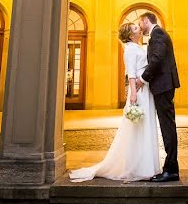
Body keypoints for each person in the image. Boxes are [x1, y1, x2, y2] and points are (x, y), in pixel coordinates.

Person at [68, 20, 161, 182]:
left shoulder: (137, 47)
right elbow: (131, 74)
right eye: (135, 28)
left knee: (146, 126)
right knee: (138, 128)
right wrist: (132, 93)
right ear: (131, 35)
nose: (139, 30)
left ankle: (146, 165)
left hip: (147, 91)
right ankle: (137, 167)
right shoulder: (129, 50)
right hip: (139, 92)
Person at [138, 11, 181, 182]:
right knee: (166, 126)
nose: (140, 28)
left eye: (140, 24)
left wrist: (143, 78)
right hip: (162, 86)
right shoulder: (156, 35)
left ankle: (171, 170)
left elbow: (157, 59)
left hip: (163, 86)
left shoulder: (158, 33)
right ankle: (171, 168)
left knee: (167, 127)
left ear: (145, 20)